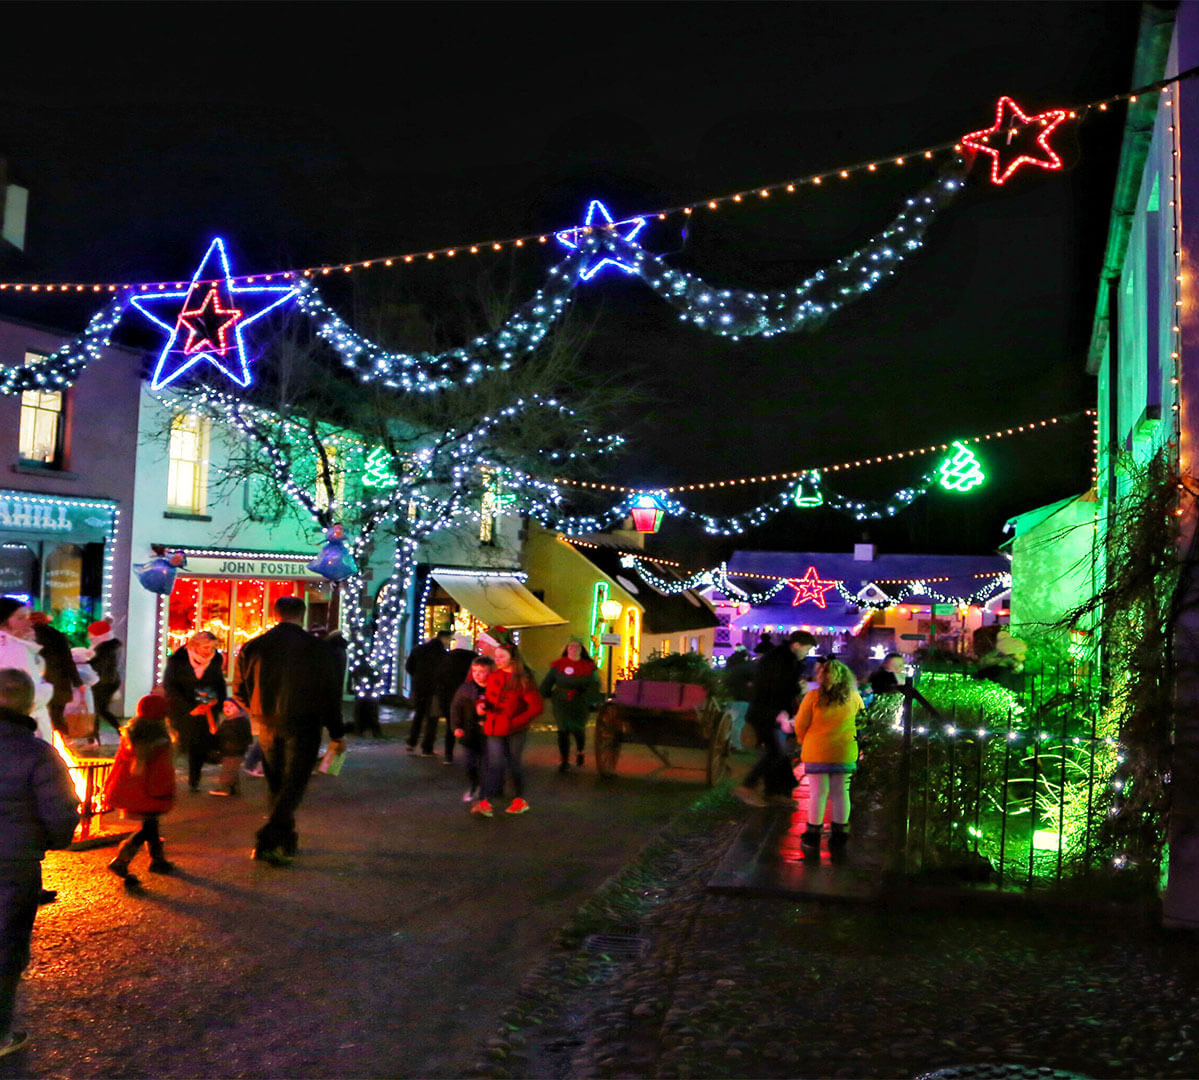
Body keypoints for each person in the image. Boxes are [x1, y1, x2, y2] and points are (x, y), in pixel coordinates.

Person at [0, 668, 79, 1059]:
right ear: (30, 703)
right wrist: (50, 841)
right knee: (6, 944)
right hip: (14, 862)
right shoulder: (37, 753)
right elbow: (61, 809)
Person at [232, 596, 345, 866]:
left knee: (277, 782)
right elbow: (330, 693)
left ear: (276, 614)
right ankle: (269, 837)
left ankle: (285, 838)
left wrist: (258, 709)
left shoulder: (255, 646)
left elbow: (239, 690)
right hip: (304, 722)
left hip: (269, 722)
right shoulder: (318, 649)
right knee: (294, 782)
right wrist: (337, 732)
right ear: (302, 615)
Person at [734, 630, 817, 807]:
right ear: (796, 645)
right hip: (769, 713)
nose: (806, 654)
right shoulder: (782, 661)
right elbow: (777, 687)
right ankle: (747, 787)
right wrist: (798, 689)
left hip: (773, 712)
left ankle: (774, 791)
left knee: (779, 752)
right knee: (775, 752)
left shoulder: (783, 659)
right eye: (806, 649)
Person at [103, 694, 177, 888]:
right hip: (151, 791)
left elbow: (120, 764)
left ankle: (158, 861)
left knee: (151, 826)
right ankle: (121, 861)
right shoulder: (159, 740)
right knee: (148, 827)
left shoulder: (132, 734)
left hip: (135, 791)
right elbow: (161, 770)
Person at [794, 658, 863, 858]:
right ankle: (840, 834)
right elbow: (862, 722)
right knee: (842, 793)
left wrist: (801, 740)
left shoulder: (813, 696)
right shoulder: (854, 697)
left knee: (818, 793)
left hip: (817, 750)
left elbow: (800, 723)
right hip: (844, 751)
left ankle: (812, 834)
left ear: (822, 676)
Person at [472, 642, 542, 818]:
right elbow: (489, 699)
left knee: (513, 764)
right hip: (494, 727)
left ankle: (519, 800)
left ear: (512, 658)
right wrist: (482, 706)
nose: (498, 659)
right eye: (496, 656)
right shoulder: (495, 676)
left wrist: (516, 722)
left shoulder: (522, 679)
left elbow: (535, 706)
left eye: (502, 656)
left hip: (514, 729)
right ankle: (485, 802)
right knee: (493, 764)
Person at [162, 631, 226, 793]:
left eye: (212, 647)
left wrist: (218, 704)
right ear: (195, 646)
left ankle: (194, 780)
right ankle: (164, 779)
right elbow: (171, 687)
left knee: (198, 744)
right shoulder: (178, 661)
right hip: (182, 709)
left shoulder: (215, 660)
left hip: (206, 709)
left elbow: (219, 684)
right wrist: (190, 707)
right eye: (205, 647)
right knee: (180, 744)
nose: (208, 651)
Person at [540, 638, 599, 773]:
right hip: (561, 702)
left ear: (581, 650)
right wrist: (543, 695)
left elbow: (594, 684)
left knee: (578, 729)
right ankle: (564, 760)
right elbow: (548, 681)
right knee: (563, 730)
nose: (573, 649)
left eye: (576, 647)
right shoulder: (558, 665)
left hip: (579, 702)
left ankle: (580, 751)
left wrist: (591, 699)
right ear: (566, 649)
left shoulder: (588, 666)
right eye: (570, 647)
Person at [0, 600, 54, 743]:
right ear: (3, 622)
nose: (28, 623)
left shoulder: (19, 647)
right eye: (20, 618)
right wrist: (47, 689)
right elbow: (25, 694)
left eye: (28, 618)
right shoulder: (15, 650)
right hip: (22, 731)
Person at [450, 655, 495, 803]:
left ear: (490, 672)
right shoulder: (465, 689)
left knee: (487, 763)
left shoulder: (495, 689)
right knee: (469, 763)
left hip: (490, 733)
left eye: (481, 671)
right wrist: (456, 726)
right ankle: (473, 785)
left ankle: (485, 790)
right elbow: (456, 709)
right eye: (474, 671)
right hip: (470, 732)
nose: (477, 674)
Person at [29, 612, 81, 737]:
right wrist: (77, 681)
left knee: (37, 716)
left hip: (37, 681)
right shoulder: (56, 635)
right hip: (59, 680)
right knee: (57, 716)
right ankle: (59, 743)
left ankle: (42, 742)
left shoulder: (27, 637)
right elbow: (67, 659)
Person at [404, 629, 451, 756]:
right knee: (432, 718)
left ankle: (411, 742)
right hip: (434, 690)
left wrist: (417, 677)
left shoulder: (418, 649)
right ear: (444, 639)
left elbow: (409, 666)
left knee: (418, 715)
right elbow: (445, 673)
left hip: (419, 688)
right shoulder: (442, 654)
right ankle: (427, 748)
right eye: (449, 640)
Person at [436, 639, 478, 763]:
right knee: (471, 725)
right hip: (470, 697)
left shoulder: (447, 659)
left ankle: (449, 755)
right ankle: (472, 755)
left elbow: (439, 679)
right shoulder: (474, 659)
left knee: (451, 725)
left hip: (450, 697)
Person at [87, 620, 124, 739]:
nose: (89, 636)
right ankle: (119, 731)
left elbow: (100, 665)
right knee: (100, 709)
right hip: (108, 681)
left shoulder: (104, 648)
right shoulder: (107, 645)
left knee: (98, 709)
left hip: (104, 682)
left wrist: (86, 663)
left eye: (91, 633)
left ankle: (94, 738)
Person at [210, 699, 253, 797]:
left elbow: (240, 736)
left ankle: (225, 788)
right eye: (225, 706)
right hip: (228, 749)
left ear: (239, 709)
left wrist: (221, 734)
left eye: (231, 706)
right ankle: (234, 789)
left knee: (227, 771)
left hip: (234, 750)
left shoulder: (240, 721)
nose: (227, 708)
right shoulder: (228, 720)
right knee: (231, 770)